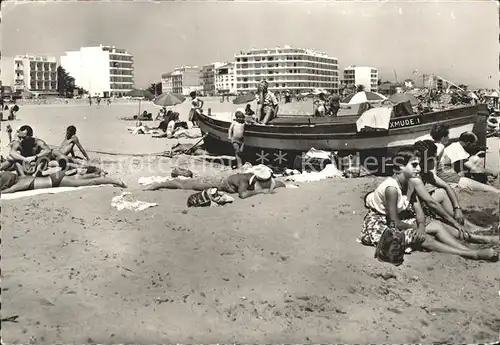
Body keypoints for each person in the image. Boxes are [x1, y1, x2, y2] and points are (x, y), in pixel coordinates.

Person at [359, 148, 497, 261]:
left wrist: (421, 225)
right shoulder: (391, 189)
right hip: (381, 224)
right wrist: (417, 229)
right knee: (423, 237)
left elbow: (418, 211)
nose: (418, 168)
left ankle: (475, 244)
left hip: (397, 220)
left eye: (418, 164)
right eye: (414, 165)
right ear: (400, 167)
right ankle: (472, 254)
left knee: (435, 224)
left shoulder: (410, 182)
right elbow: (394, 222)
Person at [411, 140, 498, 243]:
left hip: (420, 205)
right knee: (442, 218)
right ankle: (467, 230)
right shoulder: (415, 176)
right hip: (412, 211)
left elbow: (447, 186)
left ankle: (468, 225)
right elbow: (431, 203)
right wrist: (454, 222)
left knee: (441, 192)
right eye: (435, 158)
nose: (437, 161)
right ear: (426, 160)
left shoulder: (426, 173)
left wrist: (457, 208)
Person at [144, 165, 286, 199]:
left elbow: (278, 183)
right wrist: (261, 191)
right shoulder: (245, 179)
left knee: (190, 181)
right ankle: (159, 184)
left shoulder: (262, 179)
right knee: (187, 184)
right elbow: (242, 195)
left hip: (224, 181)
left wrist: (283, 184)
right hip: (218, 182)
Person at [1, 170, 126, 194]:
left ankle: (114, 180)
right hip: (55, 176)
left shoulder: (19, 184)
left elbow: (10, 191)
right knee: (80, 179)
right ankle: (97, 174)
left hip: (56, 181)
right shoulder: (21, 178)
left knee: (89, 183)